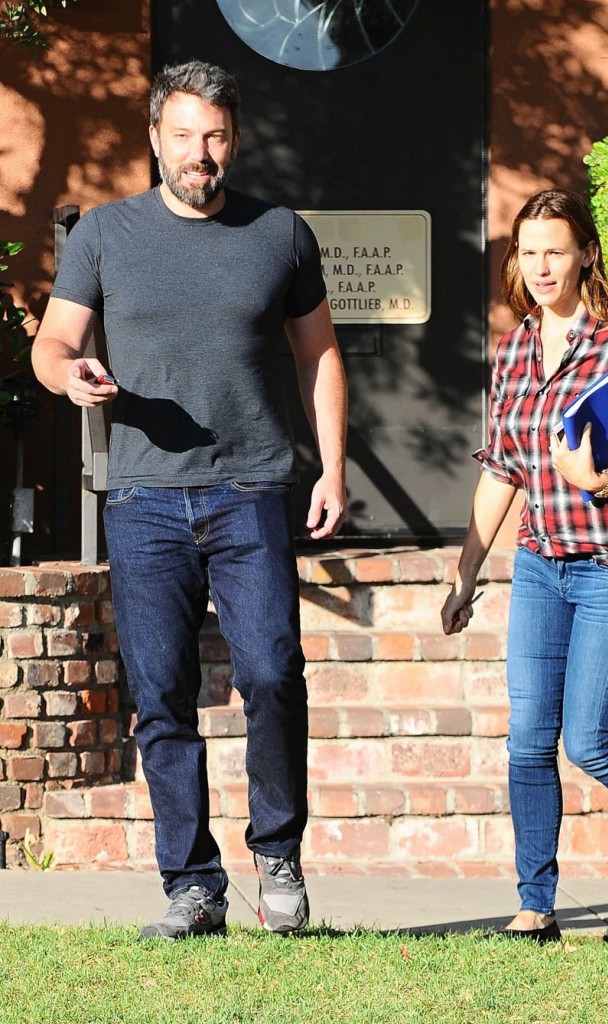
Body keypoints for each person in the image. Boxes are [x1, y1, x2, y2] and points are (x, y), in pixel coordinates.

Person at [32, 61, 348, 941]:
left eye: (214, 136)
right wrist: (68, 375)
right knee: (162, 696)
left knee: (273, 674)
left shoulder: (279, 233)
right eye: (183, 135)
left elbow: (319, 353)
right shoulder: (103, 234)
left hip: (251, 489)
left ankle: (277, 856)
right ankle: (193, 887)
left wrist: (332, 466)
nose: (199, 153)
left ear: (234, 140)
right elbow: (53, 341)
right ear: (155, 139)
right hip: (142, 497)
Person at [440, 188, 608, 944]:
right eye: (527, 252)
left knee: (588, 740)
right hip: (538, 564)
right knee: (527, 738)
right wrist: (466, 572)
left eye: (554, 250)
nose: (540, 266)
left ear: (585, 253)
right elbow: (501, 467)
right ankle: (534, 906)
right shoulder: (510, 349)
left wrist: (599, 479)